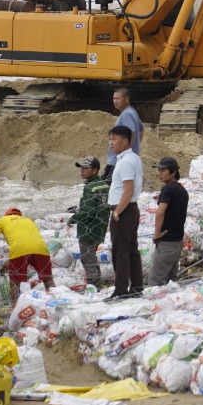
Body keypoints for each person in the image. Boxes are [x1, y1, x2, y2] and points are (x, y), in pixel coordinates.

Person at [106, 126, 145, 296]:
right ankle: (136, 287)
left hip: (123, 210)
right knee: (131, 250)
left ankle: (120, 290)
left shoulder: (126, 161)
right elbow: (141, 183)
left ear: (125, 141)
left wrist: (117, 212)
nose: (111, 143)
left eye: (114, 139)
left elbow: (128, 190)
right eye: (110, 139)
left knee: (120, 252)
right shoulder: (134, 158)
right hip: (130, 209)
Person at [0, 208, 50, 290]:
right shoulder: (29, 220)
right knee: (48, 280)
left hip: (19, 250)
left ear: (6, 215)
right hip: (42, 249)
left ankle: (15, 302)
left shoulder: (3, 220)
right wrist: (9, 263)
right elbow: (28, 245)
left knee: (14, 283)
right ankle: (57, 298)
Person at [148, 158, 188, 287]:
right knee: (171, 281)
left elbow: (160, 212)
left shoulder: (167, 190)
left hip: (167, 242)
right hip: (177, 240)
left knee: (156, 282)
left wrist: (157, 233)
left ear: (173, 172)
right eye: (159, 170)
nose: (160, 173)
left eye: (163, 170)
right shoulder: (182, 190)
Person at [70, 158, 110, 286]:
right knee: (92, 256)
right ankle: (97, 281)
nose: (82, 171)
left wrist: (73, 218)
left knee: (87, 259)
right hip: (100, 227)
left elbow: (88, 211)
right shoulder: (103, 184)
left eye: (85, 168)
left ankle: (94, 285)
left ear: (95, 170)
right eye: (81, 168)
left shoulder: (91, 187)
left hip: (88, 228)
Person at [108, 91, 144, 170]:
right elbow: (141, 130)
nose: (115, 101)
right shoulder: (133, 112)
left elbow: (131, 132)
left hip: (117, 161)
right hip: (128, 159)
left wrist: (124, 154)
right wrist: (134, 146)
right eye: (114, 98)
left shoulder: (126, 114)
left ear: (127, 99)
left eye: (118, 98)